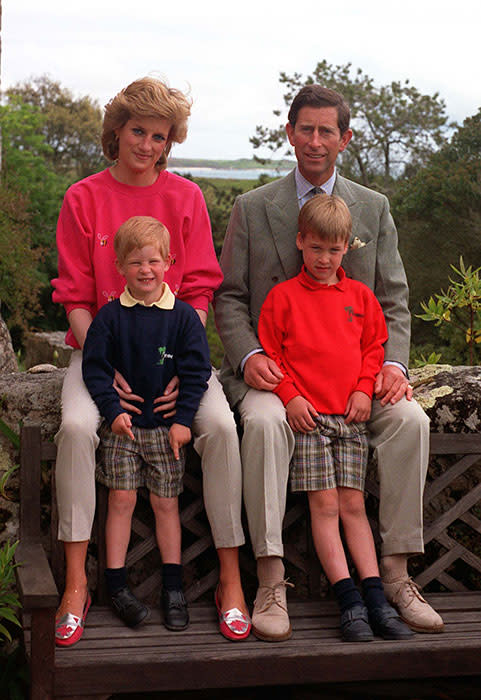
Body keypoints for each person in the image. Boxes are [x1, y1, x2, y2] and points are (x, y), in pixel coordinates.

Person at [214, 84, 444, 641]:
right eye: (305, 129)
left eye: (327, 131)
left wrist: (392, 366)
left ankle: (394, 574)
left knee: (411, 421)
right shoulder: (252, 207)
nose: (315, 141)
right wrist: (248, 356)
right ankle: (270, 580)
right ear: (289, 132)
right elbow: (229, 298)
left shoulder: (373, 207)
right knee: (266, 423)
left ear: (344, 138)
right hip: (278, 375)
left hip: (355, 380)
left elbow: (392, 300)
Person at [52, 77, 250, 647]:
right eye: (137, 131)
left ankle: (231, 582)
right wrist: (102, 360)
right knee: (74, 426)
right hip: (100, 353)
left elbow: (200, 294)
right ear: (117, 131)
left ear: (170, 142)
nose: (146, 145)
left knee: (219, 425)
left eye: (159, 136)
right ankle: (75, 585)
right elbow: (75, 299)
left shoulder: (186, 198)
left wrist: (177, 373)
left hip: (173, 359)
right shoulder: (82, 197)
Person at [257, 194, 413, 641]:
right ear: (301, 242)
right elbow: (271, 356)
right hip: (309, 420)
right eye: (316, 248)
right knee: (324, 507)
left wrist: (365, 388)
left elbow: (373, 349)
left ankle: (377, 600)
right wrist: (289, 397)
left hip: (350, 417)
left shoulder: (360, 297)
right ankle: (349, 603)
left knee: (354, 507)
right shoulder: (282, 298)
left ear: (347, 247)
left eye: (334, 249)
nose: (324, 259)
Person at [81, 216, 211, 631]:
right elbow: (96, 371)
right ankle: (116, 586)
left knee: (165, 504)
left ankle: (173, 587)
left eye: (153, 261)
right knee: (120, 502)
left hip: (167, 431)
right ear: (119, 266)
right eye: (135, 262)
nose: (145, 270)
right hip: (124, 428)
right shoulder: (109, 318)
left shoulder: (185, 318)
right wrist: (112, 411)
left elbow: (196, 372)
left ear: (169, 262)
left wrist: (184, 421)